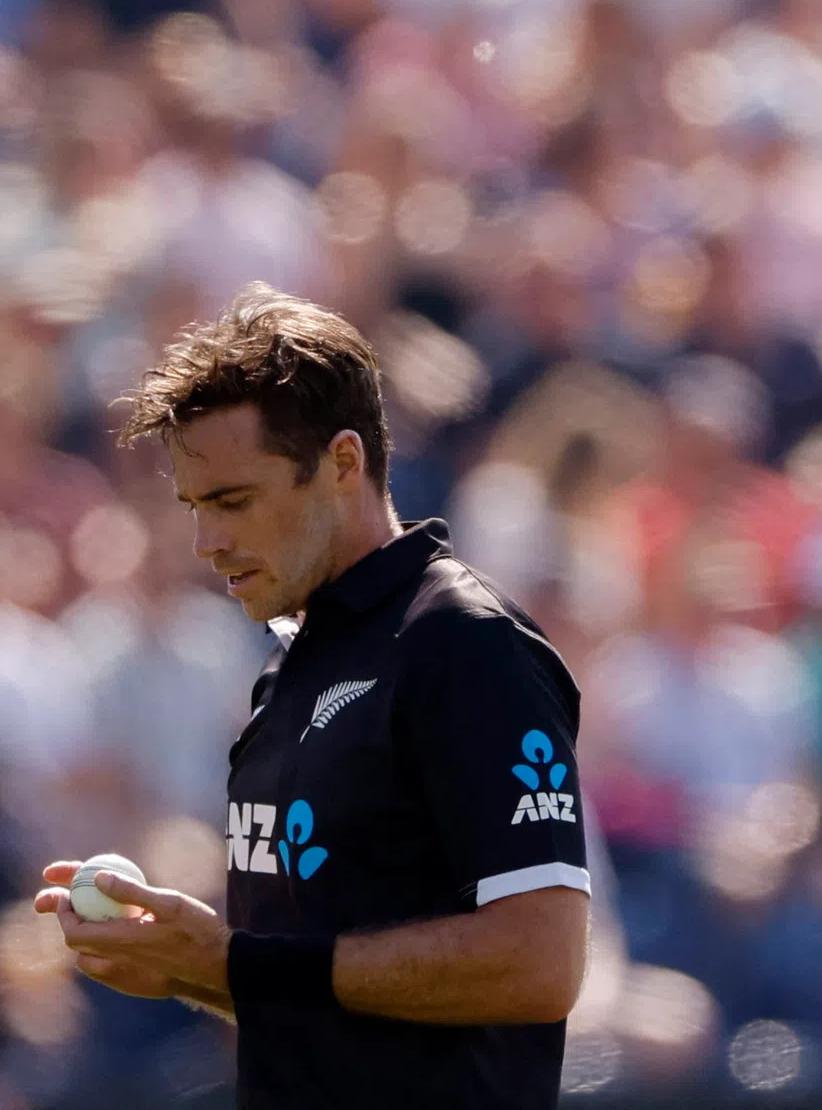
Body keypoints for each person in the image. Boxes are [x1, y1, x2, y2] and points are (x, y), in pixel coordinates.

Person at [35, 283, 590, 1109]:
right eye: (194, 507)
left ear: (341, 464)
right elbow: (327, 988)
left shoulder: (461, 645)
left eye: (233, 502)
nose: (206, 541)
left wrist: (229, 962)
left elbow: (540, 964)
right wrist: (192, 969)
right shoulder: (286, 664)